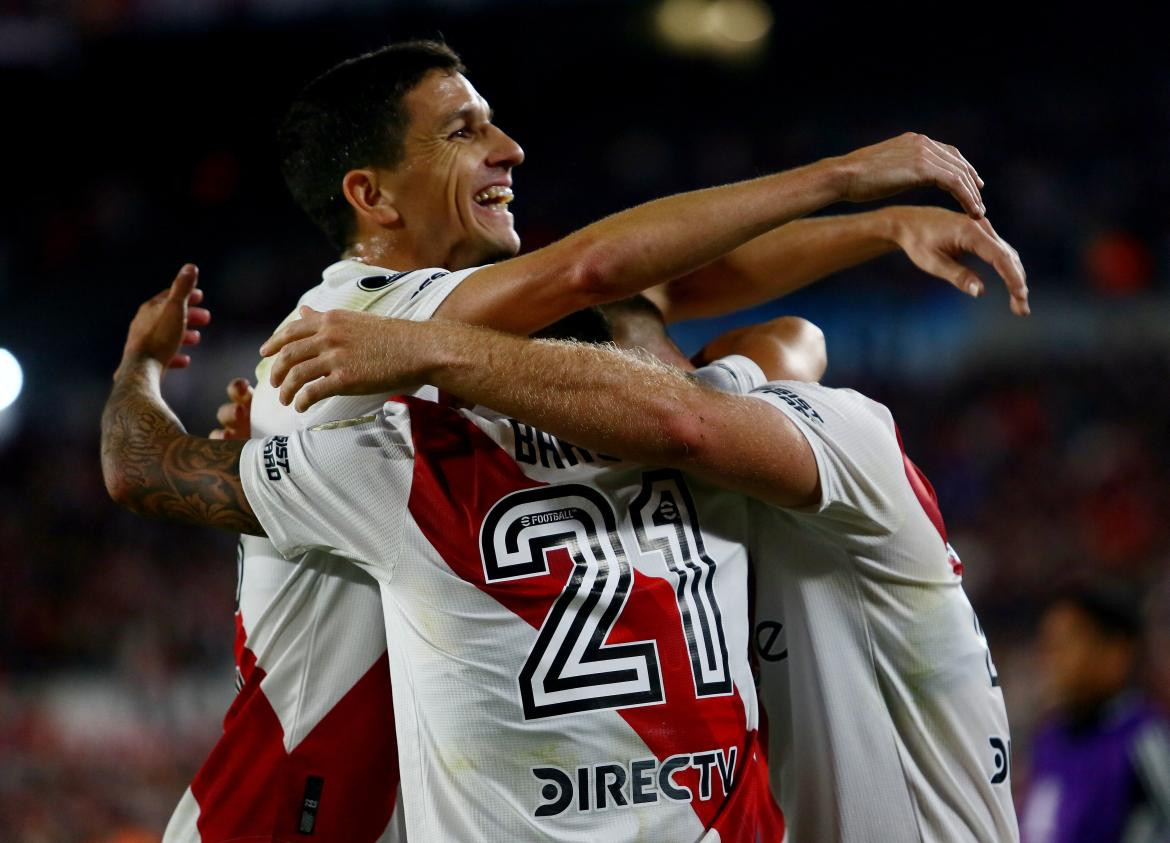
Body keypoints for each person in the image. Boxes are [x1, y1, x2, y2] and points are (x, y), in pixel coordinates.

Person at [177, 38, 1029, 841]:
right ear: (372, 195)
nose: (508, 147)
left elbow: (676, 284)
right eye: (463, 131)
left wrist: (881, 232)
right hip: (290, 799)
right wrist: (846, 180)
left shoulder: (461, 325)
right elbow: (604, 277)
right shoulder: (352, 322)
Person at [251, 287, 1024, 840]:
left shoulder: (839, 434)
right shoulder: (725, 428)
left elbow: (687, 409)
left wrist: (427, 349)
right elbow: (773, 347)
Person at [1020, 581, 1170, 843]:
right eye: (1047, 646)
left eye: (1064, 645)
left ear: (1116, 652)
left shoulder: (1144, 739)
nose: (1049, 660)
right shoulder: (1048, 740)